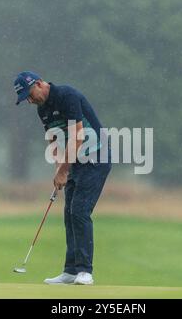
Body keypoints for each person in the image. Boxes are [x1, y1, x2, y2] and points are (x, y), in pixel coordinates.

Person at [13, 71, 112, 285]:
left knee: (79, 211)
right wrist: (59, 169)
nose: (30, 101)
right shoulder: (42, 110)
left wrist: (63, 171)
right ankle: (70, 270)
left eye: (30, 95)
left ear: (39, 84)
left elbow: (77, 135)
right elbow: (54, 141)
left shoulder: (67, 95)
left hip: (97, 157)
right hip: (76, 161)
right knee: (69, 213)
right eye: (26, 100)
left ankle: (85, 272)